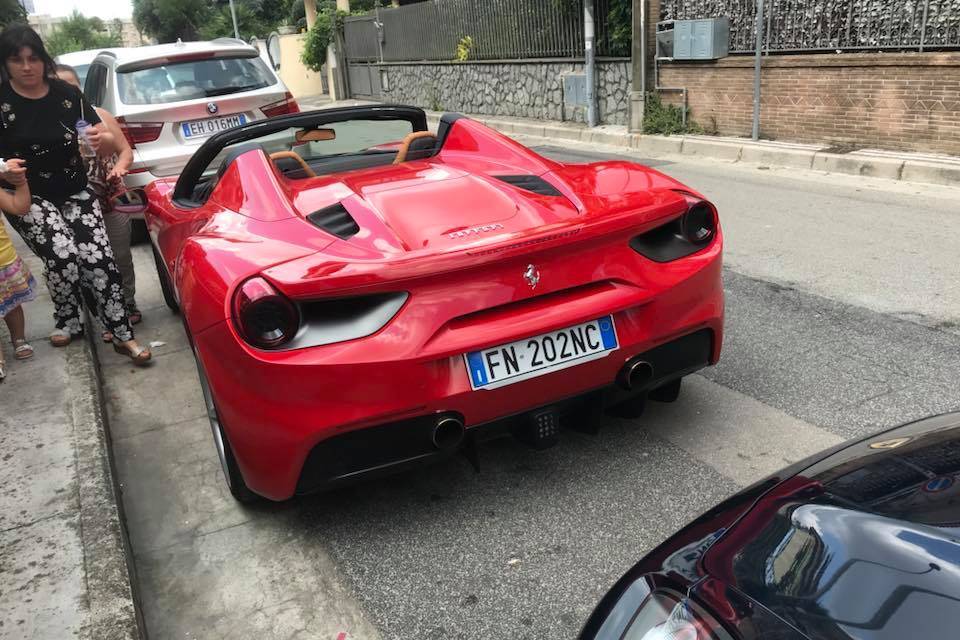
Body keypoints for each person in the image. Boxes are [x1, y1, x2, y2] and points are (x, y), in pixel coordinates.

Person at [0, 24, 150, 364]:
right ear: (6, 63)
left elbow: (98, 139)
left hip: (73, 189)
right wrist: (3, 167)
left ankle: (122, 334)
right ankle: (68, 317)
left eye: (33, 58)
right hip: (27, 194)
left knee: (101, 260)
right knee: (63, 255)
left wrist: (97, 141)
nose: (26, 67)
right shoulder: (2, 103)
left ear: (43, 60)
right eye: (16, 59)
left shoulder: (65, 96)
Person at [55, 63, 142, 342]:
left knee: (120, 258)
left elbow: (124, 151)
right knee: (87, 265)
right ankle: (105, 315)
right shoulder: (48, 124)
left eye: (72, 85)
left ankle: (127, 305)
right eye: (60, 85)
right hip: (73, 208)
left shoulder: (100, 116)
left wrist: (120, 168)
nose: (67, 90)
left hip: (109, 202)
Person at [0, 157, 35, 381]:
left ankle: (18, 338)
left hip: (2, 259)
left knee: (12, 307)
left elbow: (19, 207)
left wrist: (20, 183)